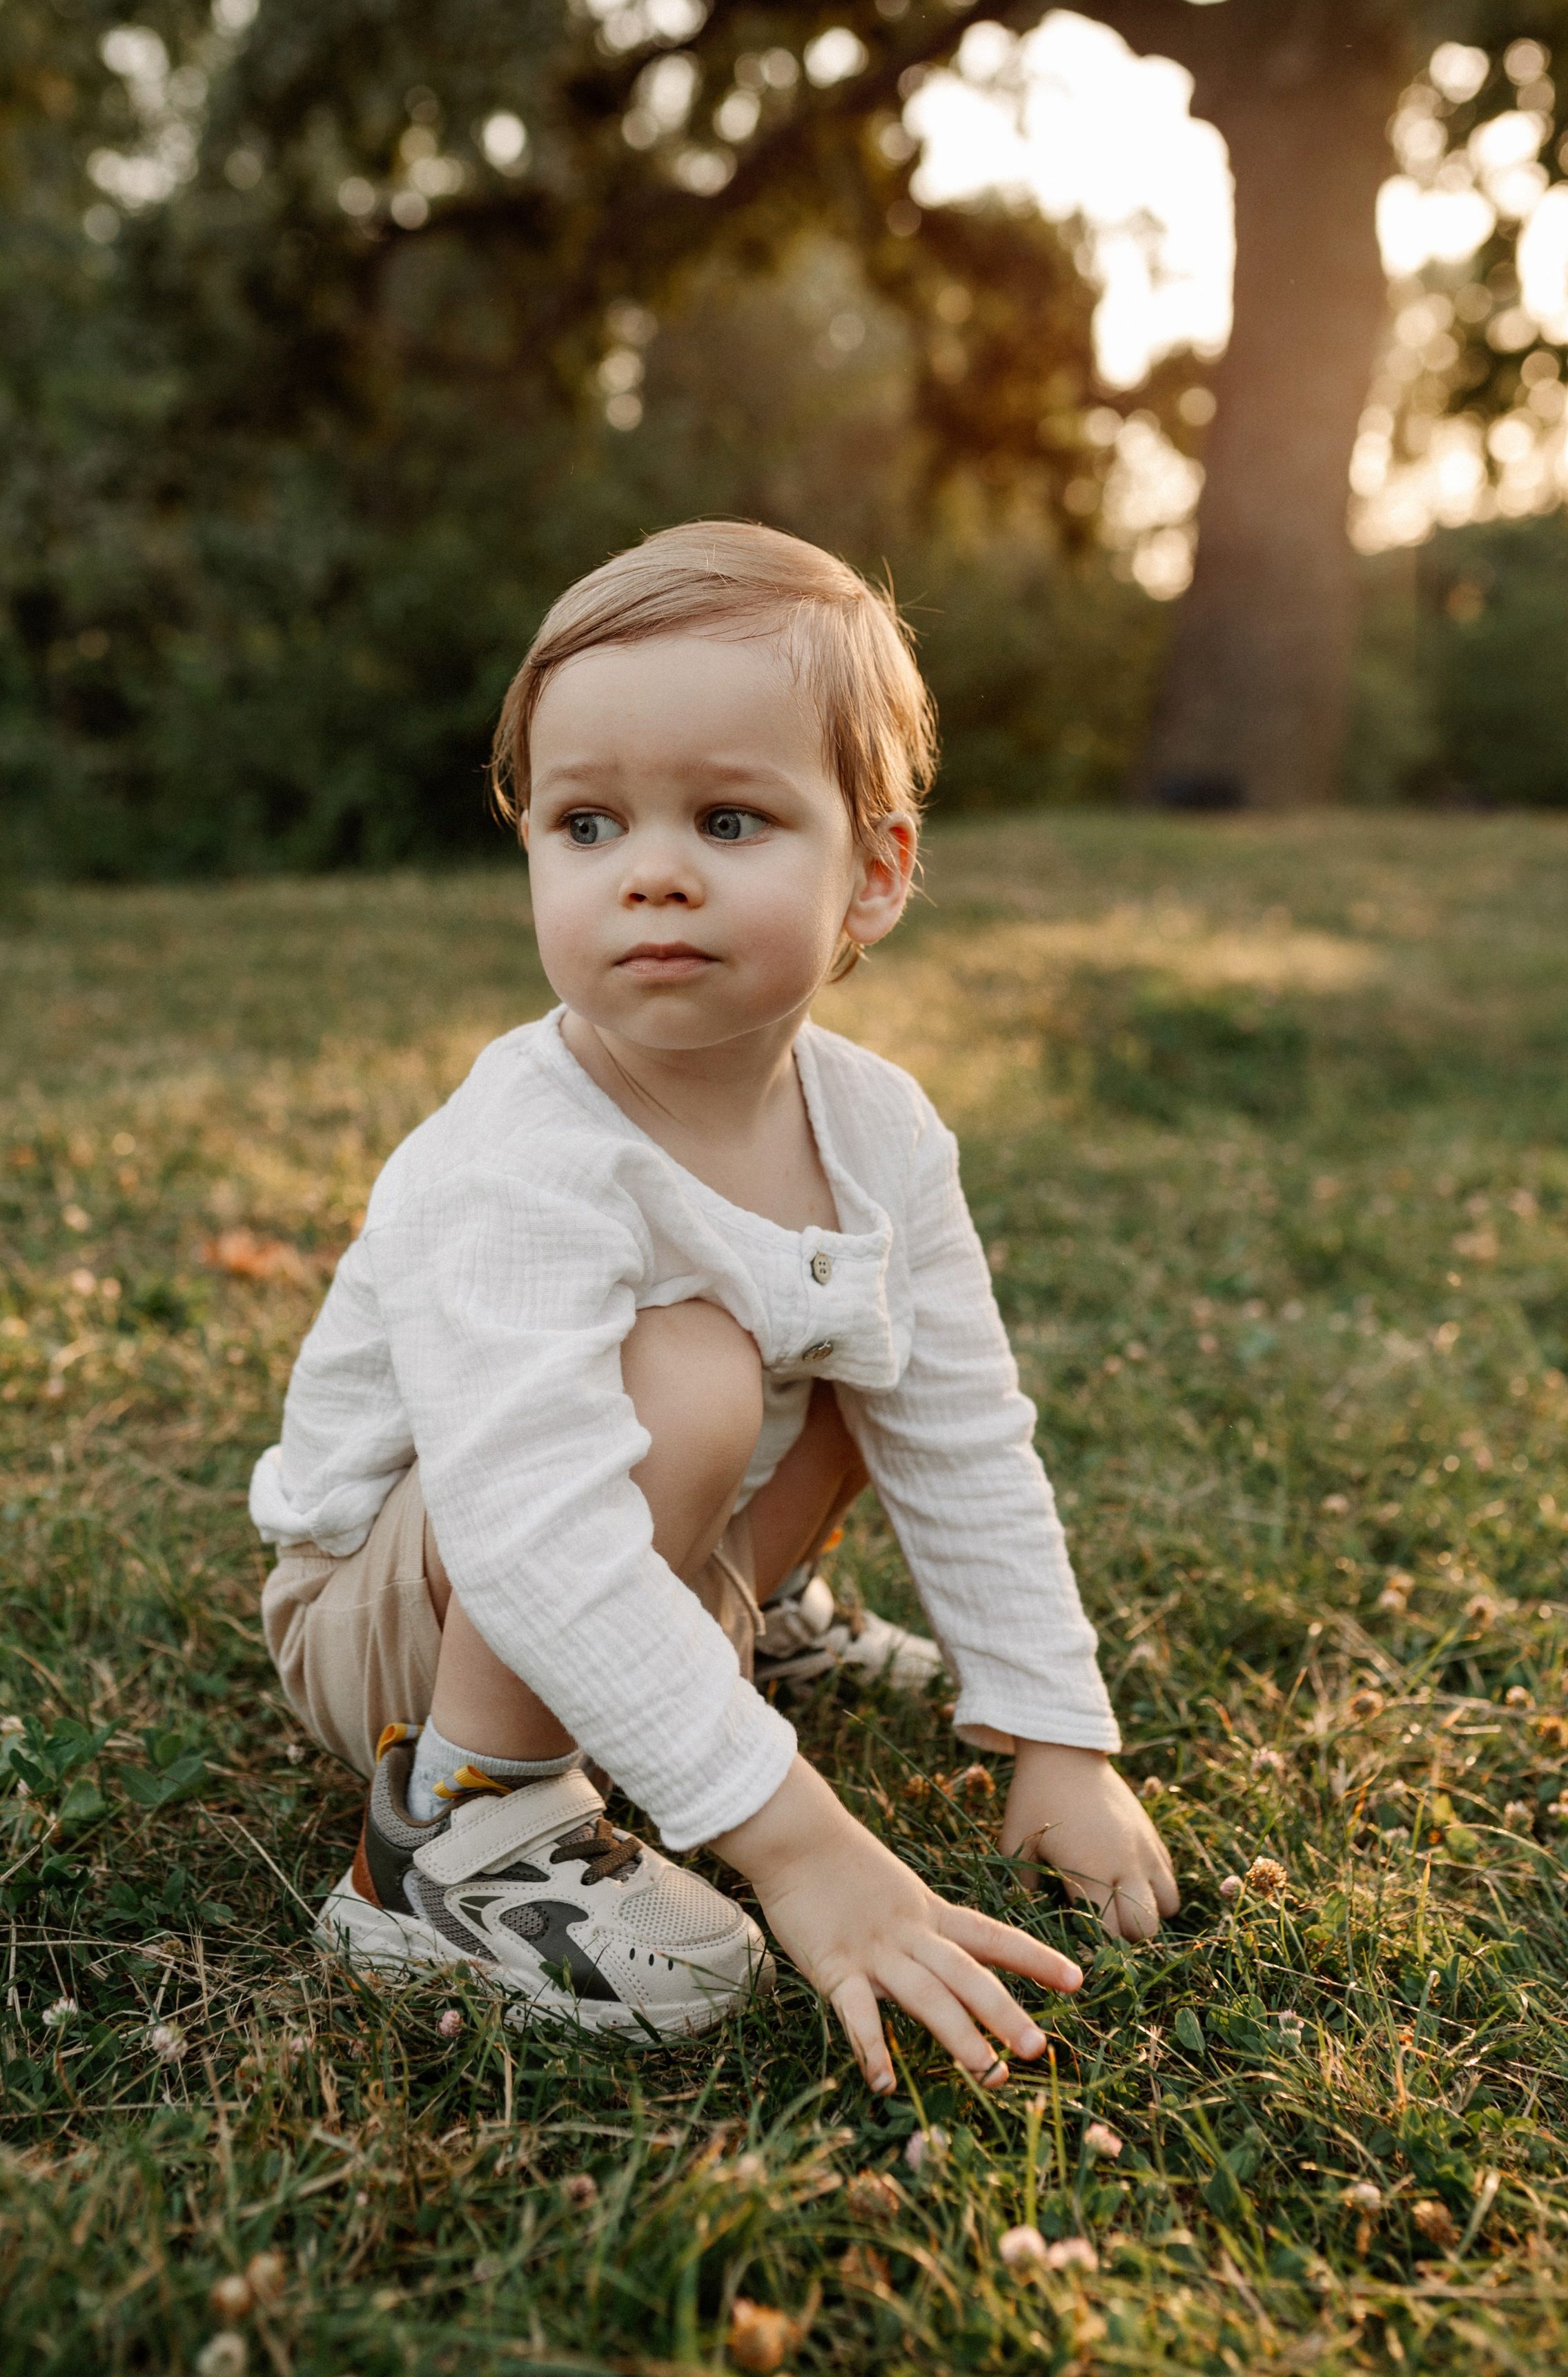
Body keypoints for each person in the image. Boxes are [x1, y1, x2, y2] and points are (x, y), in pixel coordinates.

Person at [250, 521, 1177, 2091]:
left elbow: (960, 1426)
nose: (652, 869)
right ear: (529, 842)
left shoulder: (876, 1128)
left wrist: (1054, 1733)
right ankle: (462, 1829)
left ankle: (742, 1627)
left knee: (868, 1350)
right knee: (688, 1372)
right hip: (397, 1612)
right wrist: (803, 1849)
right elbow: (529, 1528)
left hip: (615, 1551)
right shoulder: (523, 1154)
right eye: (588, 822)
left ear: (872, 874)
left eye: (730, 819)